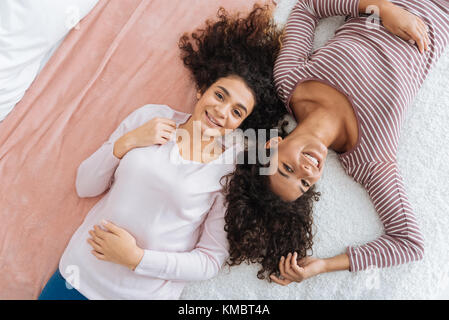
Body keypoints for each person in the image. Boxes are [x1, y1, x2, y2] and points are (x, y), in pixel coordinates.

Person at [38, 4, 285, 300]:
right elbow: (85, 185)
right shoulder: (150, 117)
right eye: (219, 95)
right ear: (202, 89)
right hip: (77, 277)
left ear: (243, 124)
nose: (221, 112)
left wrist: (136, 258)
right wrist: (127, 142)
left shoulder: (233, 167)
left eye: (237, 111)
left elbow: (209, 261)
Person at [223, 0, 449, 284]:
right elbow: (408, 243)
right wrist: (323, 266)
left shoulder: (290, 81)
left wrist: (383, 10)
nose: (306, 170)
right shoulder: (369, 157)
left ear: (271, 146)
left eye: (287, 169)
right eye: (305, 183)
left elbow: (307, 7)